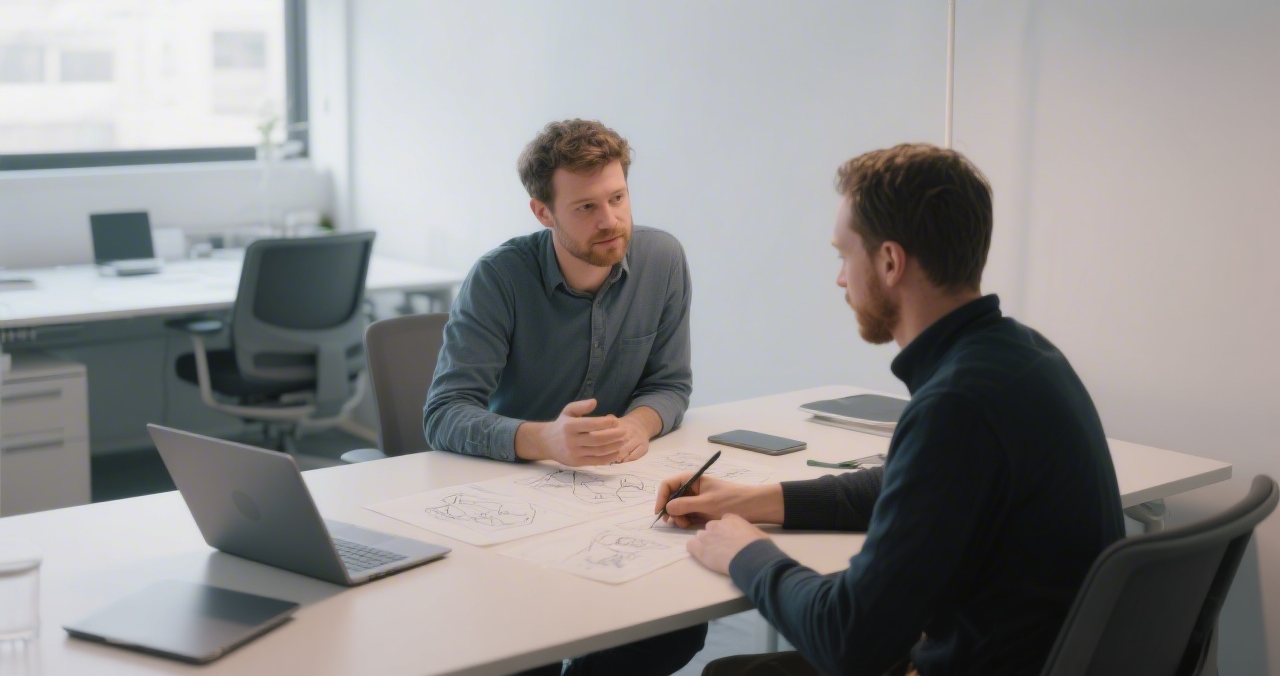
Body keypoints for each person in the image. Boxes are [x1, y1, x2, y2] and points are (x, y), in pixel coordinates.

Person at [655, 144, 1125, 676]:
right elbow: (908, 487)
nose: (839, 280)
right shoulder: (1022, 356)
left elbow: (849, 640)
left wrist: (748, 554)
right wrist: (753, 499)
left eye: (842, 255)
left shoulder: (955, 406)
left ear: (889, 261)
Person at [424, 118, 705, 674]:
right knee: (528, 652)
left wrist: (638, 425)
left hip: (610, 496)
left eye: (618, 198)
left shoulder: (662, 259)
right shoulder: (498, 278)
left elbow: (671, 384)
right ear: (542, 212)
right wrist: (545, 439)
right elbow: (444, 414)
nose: (611, 221)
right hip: (509, 500)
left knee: (676, 627)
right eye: (585, 208)